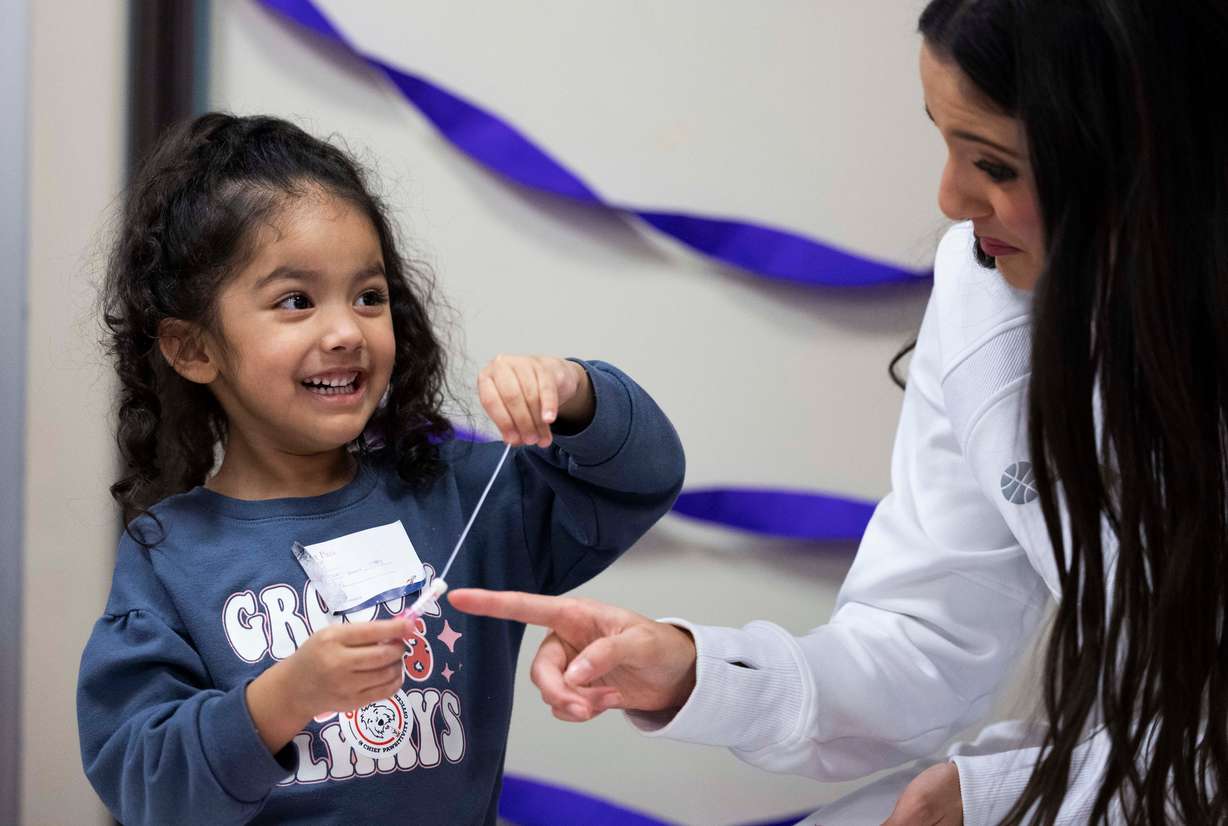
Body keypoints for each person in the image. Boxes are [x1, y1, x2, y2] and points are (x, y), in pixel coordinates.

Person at [451, 2, 1228, 824]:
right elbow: (922, 643)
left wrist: (1002, 791)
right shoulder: (984, 293)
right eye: (942, 137)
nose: (952, 198)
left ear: (1150, 162)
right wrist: (690, 671)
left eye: (997, 166)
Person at [76, 113, 685, 825]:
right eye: (295, 301)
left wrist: (579, 393)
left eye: (368, 296)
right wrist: (284, 698)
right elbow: (143, 784)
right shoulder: (169, 555)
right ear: (192, 348)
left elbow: (642, 479)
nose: (345, 332)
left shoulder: (457, 497)